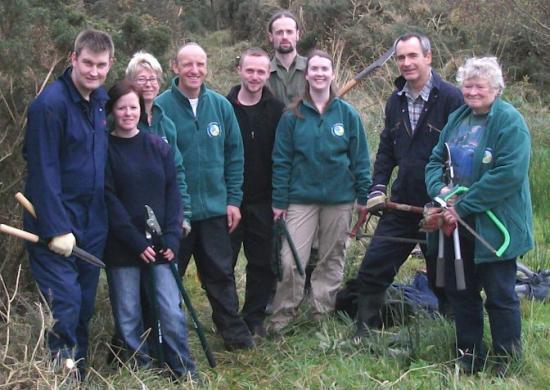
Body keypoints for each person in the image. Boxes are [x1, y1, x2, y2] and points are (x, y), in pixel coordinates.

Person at [425, 57, 533, 375]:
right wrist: (441, 195)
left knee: (500, 295)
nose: (472, 92)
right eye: (467, 86)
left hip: (493, 227)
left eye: (479, 86)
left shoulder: (509, 121)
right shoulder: (457, 118)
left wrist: (463, 205)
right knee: (461, 292)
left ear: (496, 88)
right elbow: (434, 162)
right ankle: (469, 355)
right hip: (454, 221)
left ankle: (506, 359)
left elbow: (508, 174)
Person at [354, 32, 463, 338]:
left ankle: (452, 333)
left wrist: (450, 200)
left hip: (439, 206)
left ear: (428, 57)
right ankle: (364, 331)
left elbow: (463, 152)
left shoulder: (452, 98)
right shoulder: (395, 100)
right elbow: (387, 149)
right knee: (373, 267)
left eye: (413, 55)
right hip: (402, 202)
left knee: (445, 276)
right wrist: (377, 187)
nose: (406, 63)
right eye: (401, 57)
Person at [22, 29, 113, 373]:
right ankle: (59, 376)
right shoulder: (50, 105)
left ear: (109, 65)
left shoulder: (99, 101)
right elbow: (42, 171)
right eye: (87, 63)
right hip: (55, 225)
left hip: (93, 224)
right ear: (73, 59)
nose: (93, 71)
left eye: (100, 65)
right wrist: (57, 228)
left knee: (85, 305)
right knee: (66, 304)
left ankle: (79, 373)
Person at [156, 42, 253, 350]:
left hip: (214, 210)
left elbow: (235, 155)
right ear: (175, 67)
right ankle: (165, 337)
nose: (195, 70)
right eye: (188, 64)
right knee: (169, 278)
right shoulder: (160, 107)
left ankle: (233, 336)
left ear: (207, 67)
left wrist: (233, 200)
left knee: (220, 274)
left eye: (200, 64)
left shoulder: (220, 107)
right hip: (176, 215)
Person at [267, 50, 372, 335]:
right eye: (314, 69)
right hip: (300, 199)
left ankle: (321, 316)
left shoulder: (347, 114)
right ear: (307, 74)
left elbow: (361, 158)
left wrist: (364, 197)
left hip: (340, 200)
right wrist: (279, 200)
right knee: (290, 260)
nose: (319, 74)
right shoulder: (292, 116)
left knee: (331, 258)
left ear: (332, 74)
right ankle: (282, 317)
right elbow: (282, 161)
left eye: (325, 69)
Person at [103, 80, 196, 379]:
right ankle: (141, 372)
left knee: (170, 309)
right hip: (123, 247)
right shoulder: (104, 149)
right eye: (121, 108)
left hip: (161, 244)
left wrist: (171, 236)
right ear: (112, 111)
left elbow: (173, 194)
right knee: (128, 314)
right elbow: (108, 199)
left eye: (133, 107)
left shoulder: (158, 146)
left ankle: (182, 369)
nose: (128, 113)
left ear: (141, 109)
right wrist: (133, 241)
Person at [226, 48, 285, 338]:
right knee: (224, 262)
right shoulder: (224, 106)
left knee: (262, 263)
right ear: (240, 70)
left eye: (261, 72)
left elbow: (285, 156)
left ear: (268, 74)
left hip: (265, 200)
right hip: (230, 200)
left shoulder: (277, 110)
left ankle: (254, 318)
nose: (255, 77)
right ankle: (228, 319)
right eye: (250, 70)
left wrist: (280, 198)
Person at [125, 51, 192, 228]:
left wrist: (183, 213)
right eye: (141, 79)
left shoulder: (166, 125)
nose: (148, 84)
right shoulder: (120, 122)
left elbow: (177, 170)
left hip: (164, 214)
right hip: (131, 217)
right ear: (130, 83)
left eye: (153, 79)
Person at [267, 10, 307, 106]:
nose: (284, 37)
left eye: (289, 32)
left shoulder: (314, 69)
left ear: (297, 35)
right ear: (271, 36)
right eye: (279, 32)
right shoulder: (262, 72)